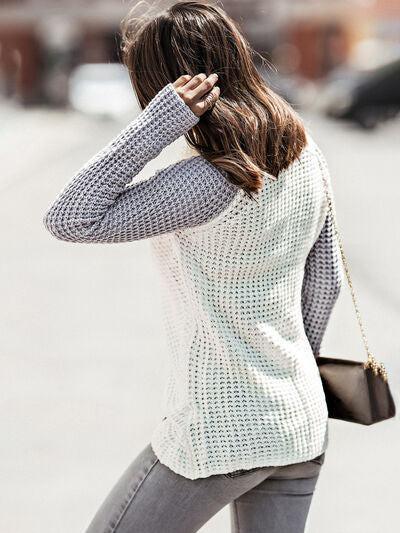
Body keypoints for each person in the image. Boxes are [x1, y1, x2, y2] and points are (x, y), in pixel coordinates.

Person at [43, 2, 343, 532]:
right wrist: (290, 378)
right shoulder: (304, 153)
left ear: (163, 86)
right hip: (299, 420)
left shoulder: (207, 180)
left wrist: (154, 126)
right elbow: (326, 281)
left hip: (220, 431)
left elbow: (70, 217)